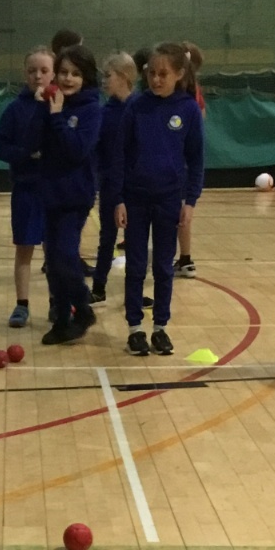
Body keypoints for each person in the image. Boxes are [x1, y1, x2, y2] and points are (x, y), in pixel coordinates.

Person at [111, 42, 205, 356]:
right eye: (151, 73)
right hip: (136, 200)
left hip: (169, 202)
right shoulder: (136, 107)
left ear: (179, 74)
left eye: (163, 74)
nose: (156, 79)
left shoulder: (188, 110)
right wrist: (119, 199)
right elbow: (120, 156)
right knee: (136, 267)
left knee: (164, 268)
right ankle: (135, 329)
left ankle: (160, 327)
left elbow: (196, 160)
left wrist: (190, 201)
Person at [33, 43, 103, 345]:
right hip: (50, 192)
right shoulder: (52, 104)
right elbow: (34, 141)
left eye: (76, 73)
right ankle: (62, 319)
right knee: (52, 261)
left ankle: (83, 308)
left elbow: (76, 150)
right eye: (63, 72)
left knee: (64, 256)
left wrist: (57, 116)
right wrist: (41, 108)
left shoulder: (91, 110)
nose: (68, 78)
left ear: (86, 77)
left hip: (75, 195)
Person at [0, 47, 54, 328]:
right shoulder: (15, 110)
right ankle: (22, 304)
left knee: (56, 252)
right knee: (25, 249)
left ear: (53, 73)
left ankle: (57, 302)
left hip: (55, 190)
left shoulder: (61, 106)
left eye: (44, 70)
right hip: (26, 190)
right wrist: (25, 154)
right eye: (32, 71)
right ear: (24, 74)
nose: (38, 76)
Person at [93, 52, 138, 304]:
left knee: (136, 240)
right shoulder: (104, 113)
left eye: (108, 75)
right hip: (111, 185)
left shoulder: (141, 108)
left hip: (137, 186)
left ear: (124, 76)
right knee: (107, 237)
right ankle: (98, 287)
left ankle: (134, 292)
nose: (103, 80)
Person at [175, 41, 206, 278]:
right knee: (181, 211)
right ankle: (185, 259)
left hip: (179, 162)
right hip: (182, 160)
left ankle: (183, 259)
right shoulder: (194, 93)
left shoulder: (184, 97)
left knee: (179, 211)